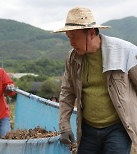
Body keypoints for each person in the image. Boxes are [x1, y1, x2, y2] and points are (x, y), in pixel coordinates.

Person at [54, 7, 137, 153]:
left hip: (118, 127)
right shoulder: (73, 58)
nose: (71, 42)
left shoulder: (125, 51)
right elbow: (67, 92)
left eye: (74, 37)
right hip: (88, 129)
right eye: (68, 37)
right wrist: (64, 126)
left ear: (91, 33)